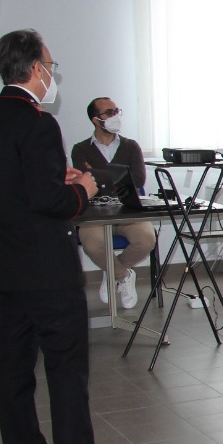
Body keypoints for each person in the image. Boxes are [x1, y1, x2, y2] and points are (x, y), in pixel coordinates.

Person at [0, 29, 135, 444]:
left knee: (13, 362)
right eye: (51, 66)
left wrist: (53, 177)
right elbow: (52, 203)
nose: (51, 74)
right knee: (65, 363)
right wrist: (82, 187)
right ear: (36, 69)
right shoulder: (38, 123)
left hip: (7, 262)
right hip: (47, 265)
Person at [71, 96, 155, 311]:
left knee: (146, 239)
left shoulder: (131, 146)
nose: (114, 116)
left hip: (127, 210)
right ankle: (122, 274)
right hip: (94, 214)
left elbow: (138, 180)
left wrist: (98, 175)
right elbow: (84, 180)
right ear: (95, 119)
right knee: (91, 243)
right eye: (108, 113)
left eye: (116, 111)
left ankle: (111, 272)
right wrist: (118, 176)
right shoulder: (80, 149)